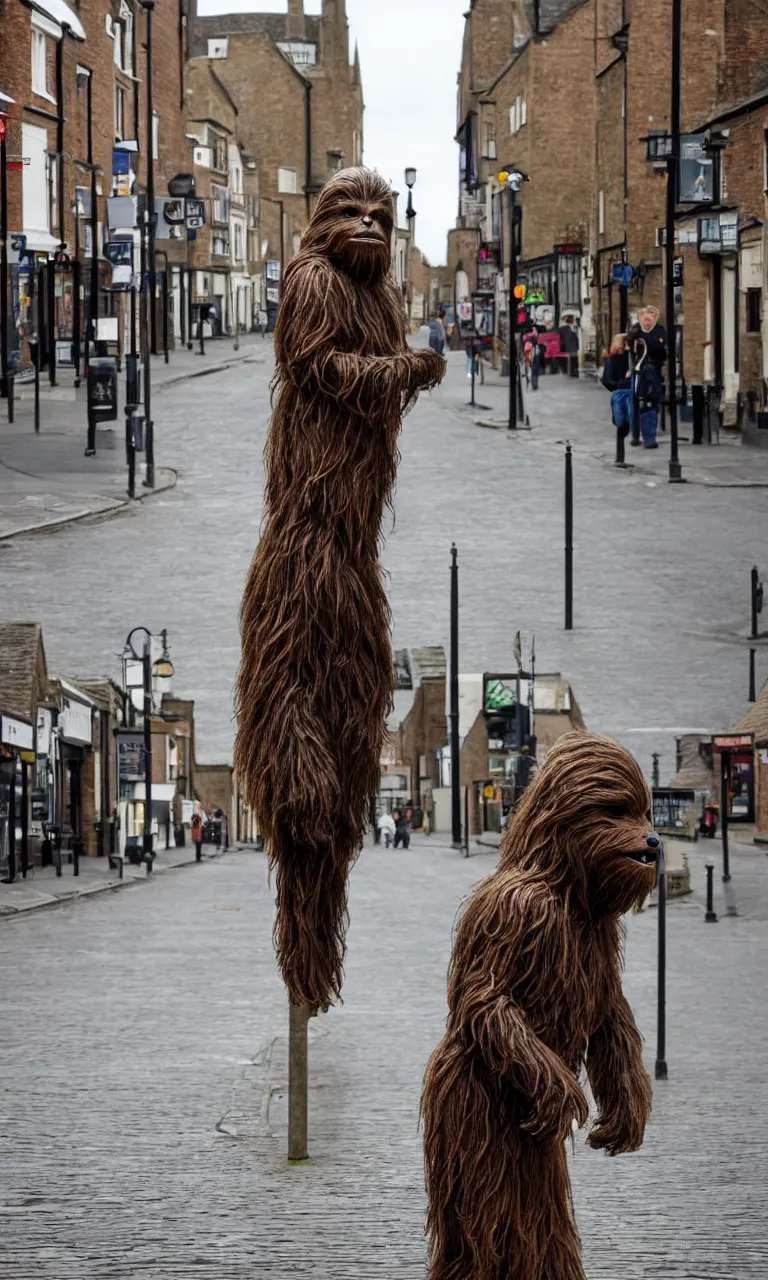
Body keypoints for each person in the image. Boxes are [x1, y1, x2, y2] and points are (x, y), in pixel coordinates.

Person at [629, 305, 666, 448]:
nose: (647, 319)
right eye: (644, 317)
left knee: (649, 403)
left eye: (650, 316)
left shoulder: (660, 331)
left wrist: (644, 338)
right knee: (635, 405)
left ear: (655, 318)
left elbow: (659, 348)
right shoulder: (635, 330)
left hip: (653, 372)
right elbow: (629, 343)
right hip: (637, 371)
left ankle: (649, 438)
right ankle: (635, 435)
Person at [601, 333, 633, 440]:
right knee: (621, 413)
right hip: (620, 390)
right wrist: (623, 381)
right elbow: (607, 381)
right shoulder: (611, 359)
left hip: (630, 389)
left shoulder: (631, 356)